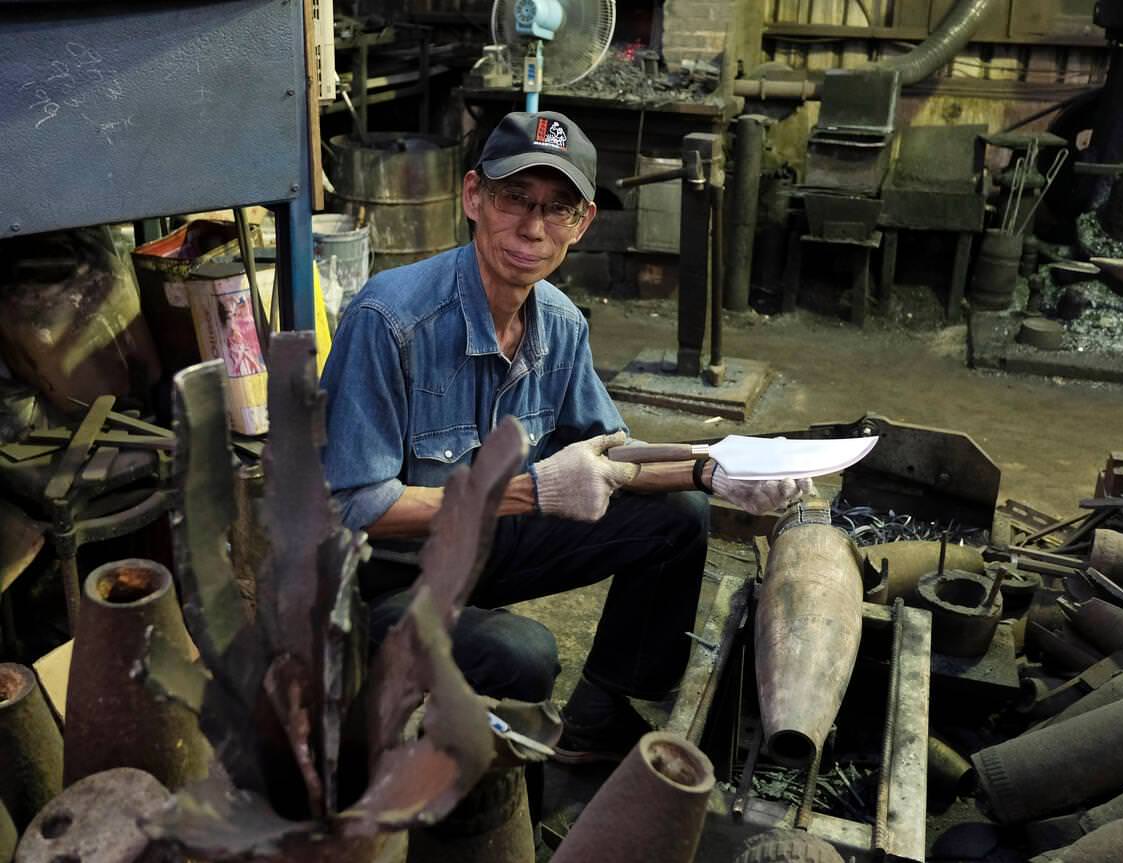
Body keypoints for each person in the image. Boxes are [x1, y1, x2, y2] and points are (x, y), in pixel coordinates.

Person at [321, 110, 807, 762]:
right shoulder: (388, 320)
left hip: (492, 548)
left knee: (677, 515)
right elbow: (354, 507)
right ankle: (410, 763)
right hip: (389, 580)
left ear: (582, 224)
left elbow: (613, 456)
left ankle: (604, 711)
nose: (533, 227)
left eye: (558, 209)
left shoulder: (560, 323)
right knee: (525, 656)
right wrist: (532, 491)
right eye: (515, 198)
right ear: (473, 196)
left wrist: (710, 467)